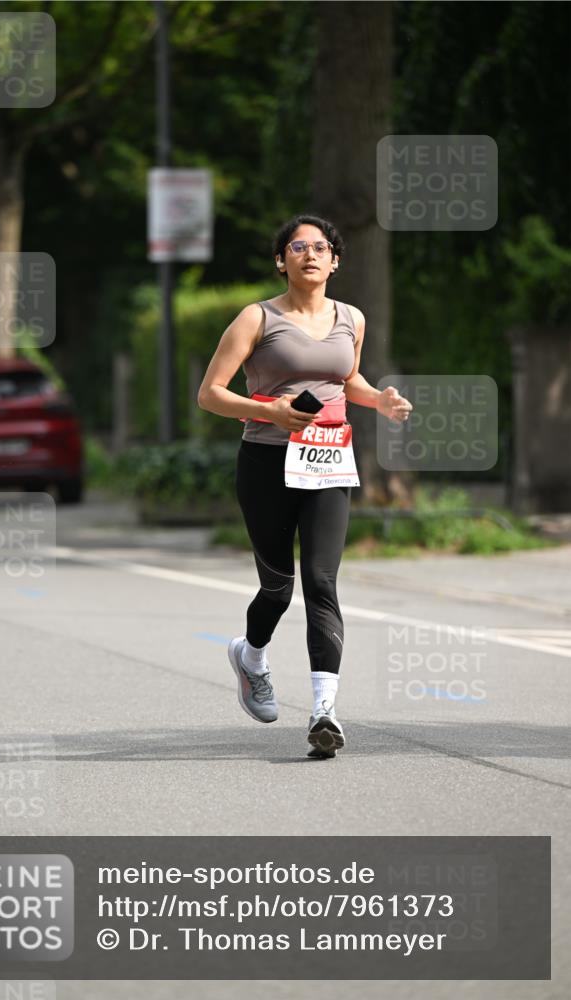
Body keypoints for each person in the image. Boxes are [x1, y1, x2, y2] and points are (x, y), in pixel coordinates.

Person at [197, 214, 412, 758]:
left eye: (321, 248)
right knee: (277, 588)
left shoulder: (352, 319)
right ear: (281, 260)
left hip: (328, 462)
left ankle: (324, 711)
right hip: (267, 461)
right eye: (298, 247)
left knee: (322, 581)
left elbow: (349, 379)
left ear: (335, 261)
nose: (310, 255)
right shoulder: (257, 318)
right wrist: (270, 409)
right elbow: (211, 394)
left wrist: (378, 399)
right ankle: (250, 657)